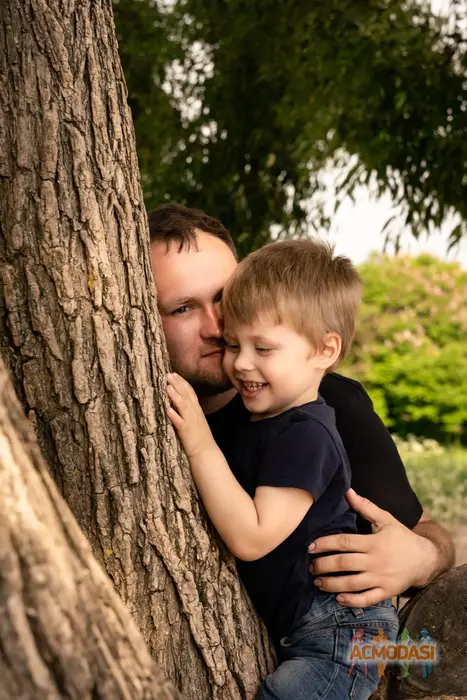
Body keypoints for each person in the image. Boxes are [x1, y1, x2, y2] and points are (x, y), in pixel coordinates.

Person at [149, 202, 454, 612]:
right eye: (183, 308)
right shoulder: (143, 423)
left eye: (224, 297)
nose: (217, 326)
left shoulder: (329, 404)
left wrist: (418, 559)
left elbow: (429, 534)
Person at [165, 239, 400, 698]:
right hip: (313, 628)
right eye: (234, 344)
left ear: (324, 350)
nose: (241, 363)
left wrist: (197, 439)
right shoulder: (268, 422)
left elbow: (252, 537)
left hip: (341, 636)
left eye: (263, 348)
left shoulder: (305, 434)